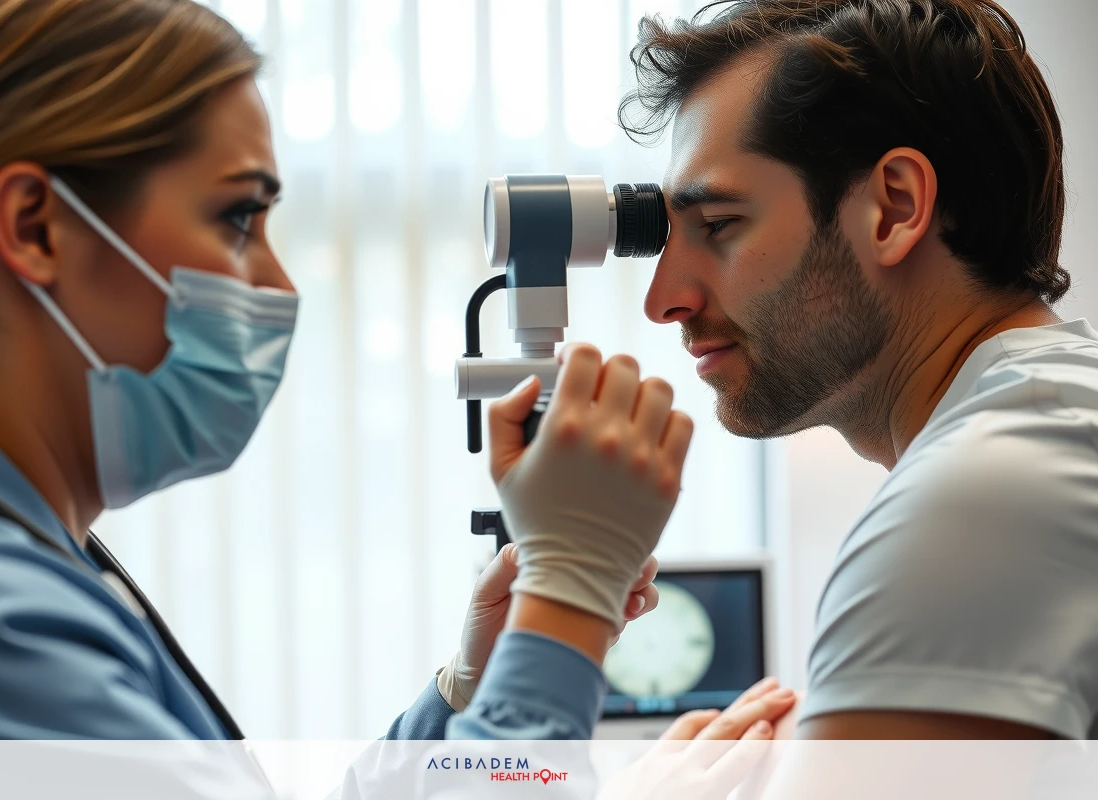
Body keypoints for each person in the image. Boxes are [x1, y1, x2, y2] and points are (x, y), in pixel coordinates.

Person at [0, 0, 692, 742]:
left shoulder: (29, 559)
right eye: (237, 217)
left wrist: (469, 692)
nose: (280, 285)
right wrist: (566, 602)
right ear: (34, 227)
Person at [454, 0, 1098, 755]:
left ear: (894, 208)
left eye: (719, 225)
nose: (664, 301)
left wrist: (568, 593)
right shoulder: (1046, 427)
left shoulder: (984, 497)